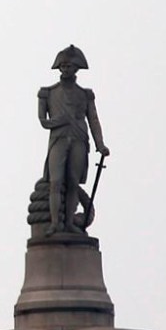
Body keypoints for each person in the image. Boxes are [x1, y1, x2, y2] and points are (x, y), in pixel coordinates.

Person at [38, 45, 110, 235]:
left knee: (72, 182)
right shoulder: (48, 92)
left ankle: (69, 222)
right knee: (56, 181)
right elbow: (43, 121)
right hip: (58, 139)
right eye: (63, 66)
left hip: (79, 138)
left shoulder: (85, 94)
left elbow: (93, 120)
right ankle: (55, 224)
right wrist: (57, 121)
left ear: (77, 68)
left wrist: (100, 144)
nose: (66, 69)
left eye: (70, 66)